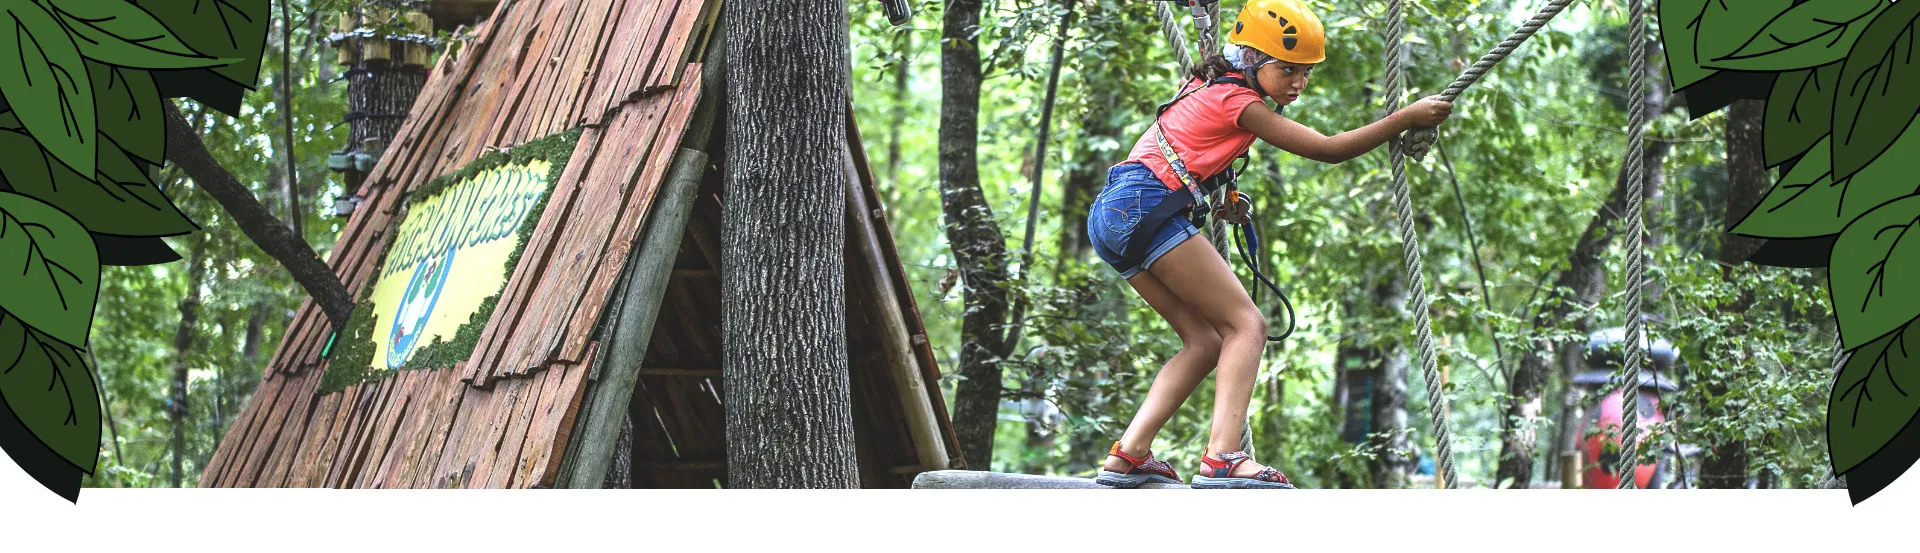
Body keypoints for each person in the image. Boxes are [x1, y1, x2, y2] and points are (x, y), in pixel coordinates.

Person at [1089, 0, 1454, 489]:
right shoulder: (1239, 102)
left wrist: (1219, 197)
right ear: (1254, 61)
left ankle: (1129, 453)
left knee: (1204, 341)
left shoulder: (1208, 85)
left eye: (1305, 73)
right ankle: (1222, 457)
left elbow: (1188, 146)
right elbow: (1327, 149)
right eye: (1288, 70)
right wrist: (1406, 116)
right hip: (1145, 206)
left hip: (1115, 214)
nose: (1298, 83)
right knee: (1247, 325)